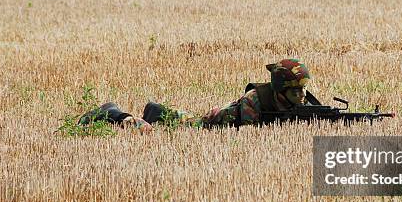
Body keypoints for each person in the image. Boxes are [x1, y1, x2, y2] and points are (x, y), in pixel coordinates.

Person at [78, 59, 312, 133]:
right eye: (295, 91)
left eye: (302, 90)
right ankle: (115, 114)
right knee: (149, 131)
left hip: (207, 125)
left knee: (173, 119)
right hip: (205, 128)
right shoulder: (255, 99)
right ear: (280, 89)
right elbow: (251, 134)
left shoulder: (289, 100)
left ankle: (157, 111)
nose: (301, 96)